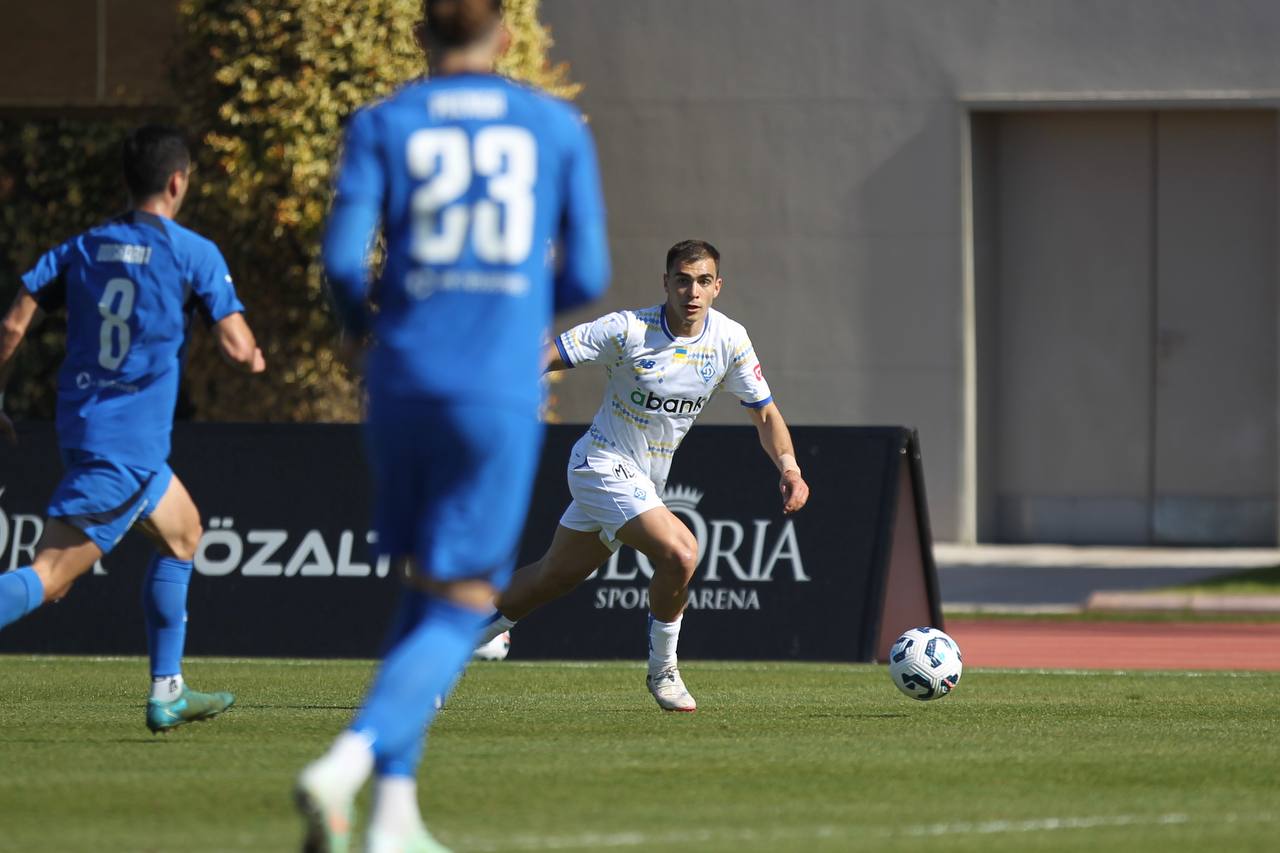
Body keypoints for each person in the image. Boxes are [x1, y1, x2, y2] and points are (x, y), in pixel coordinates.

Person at [295, 0, 610, 849]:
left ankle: (393, 814)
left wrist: (360, 332)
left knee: (423, 587)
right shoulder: (552, 126)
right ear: (505, 38)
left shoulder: (382, 122)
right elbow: (588, 270)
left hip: (401, 382)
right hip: (492, 387)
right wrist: (509, 303)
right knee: (464, 601)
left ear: (419, 36)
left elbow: (340, 261)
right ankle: (346, 764)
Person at [0, 124, 266, 733]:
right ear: (177, 182)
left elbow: (13, 325)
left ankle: (168, 691)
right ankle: (167, 690)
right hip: (126, 448)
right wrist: (252, 356)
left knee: (184, 533)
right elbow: (236, 345)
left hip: (92, 432)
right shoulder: (192, 252)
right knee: (50, 579)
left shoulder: (81, 247)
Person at [477, 239, 811, 712]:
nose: (692, 292)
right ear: (666, 283)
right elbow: (547, 356)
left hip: (645, 480)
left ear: (718, 287)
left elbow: (765, 413)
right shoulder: (628, 329)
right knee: (681, 551)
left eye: (703, 281)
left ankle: (443, 649)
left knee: (552, 578)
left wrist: (790, 467)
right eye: (682, 280)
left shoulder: (730, 340)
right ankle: (663, 670)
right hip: (599, 463)